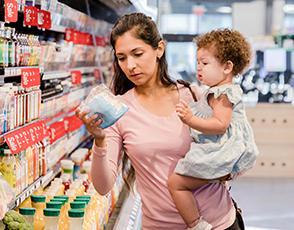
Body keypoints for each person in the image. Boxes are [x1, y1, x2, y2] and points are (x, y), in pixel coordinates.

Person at [75, 13, 244, 230]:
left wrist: (225, 170)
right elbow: (103, 185)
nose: (130, 65)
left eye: (138, 54)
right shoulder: (119, 109)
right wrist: (99, 140)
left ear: (159, 49)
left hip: (218, 223)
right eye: (122, 57)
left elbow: (238, 147)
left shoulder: (195, 96)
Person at [167, 29, 259, 230]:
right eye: (198, 62)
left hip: (220, 152)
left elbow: (220, 125)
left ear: (227, 67)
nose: (199, 68)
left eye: (205, 63)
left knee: (176, 183)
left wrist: (190, 119)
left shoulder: (222, 94)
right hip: (223, 150)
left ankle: (195, 224)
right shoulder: (217, 91)